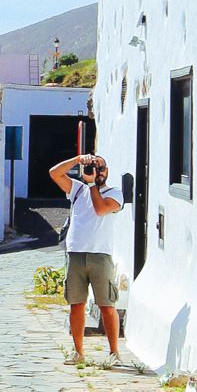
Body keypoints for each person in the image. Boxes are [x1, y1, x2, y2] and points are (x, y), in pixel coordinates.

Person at [48, 149, 123, 362]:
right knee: (76, 304)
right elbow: (54, 173)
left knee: (107, 305)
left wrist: (92, 185)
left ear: (106, 171)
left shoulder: (114, 193)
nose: (97, 171)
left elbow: (100, 210)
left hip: (101, 255)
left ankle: (114, 352)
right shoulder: (78, 190)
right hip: (76, 253)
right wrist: (78, 159)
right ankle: (78, 352)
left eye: (100, 167)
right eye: (93, 166)